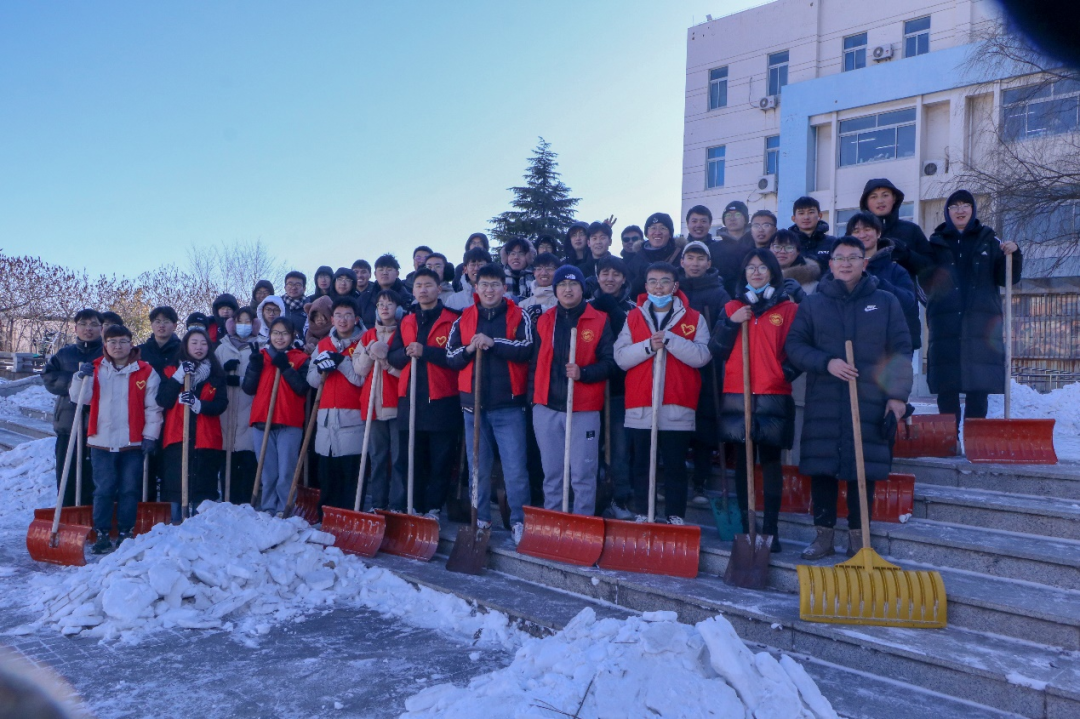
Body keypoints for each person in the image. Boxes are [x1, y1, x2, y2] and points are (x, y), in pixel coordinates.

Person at [785, 238, 913, 559]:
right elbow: (796, 347)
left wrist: (897, 397)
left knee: (863, 470)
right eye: (839, 258)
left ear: (864, 262)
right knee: (823, 468)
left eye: (853, 258)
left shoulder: (885, 302)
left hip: (870, 397)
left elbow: (900, 350)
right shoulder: (813, 304)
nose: (845, 263)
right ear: (830, 265)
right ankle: (823, 537)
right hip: (825, 398)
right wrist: (826, 362)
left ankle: (859, 539)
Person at [710, 249, 799, 552]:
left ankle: (770, 530)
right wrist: (731, 322)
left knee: (770, 462)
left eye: (762, 268)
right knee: (744, 462)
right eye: (751, 268)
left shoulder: (788, 309)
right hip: (738, 393)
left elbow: (799, 351)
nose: (756, 272)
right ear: (743, 273)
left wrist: (780, 374)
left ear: (773, 272)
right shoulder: (732, 306)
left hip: (773, 394)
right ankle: (749, 529)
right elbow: (716, 350)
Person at [614, 262, 711, 525]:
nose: (659, 286)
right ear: (646, 287)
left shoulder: (694, 318)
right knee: (642, 464)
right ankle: (643, 513)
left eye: (665, 281)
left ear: (675, 286)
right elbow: (621, 357)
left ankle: (675, 516)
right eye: (653, 281)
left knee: (675, 464)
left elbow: (702, 356)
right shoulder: (632, 317)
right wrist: (649, 345)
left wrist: (670, 339)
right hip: (641, 403)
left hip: (677, 403)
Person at [446, 263, 534, 542]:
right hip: (473, 405)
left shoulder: (519, 314)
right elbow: (450, 356)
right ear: (476, 288)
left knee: (515, 469)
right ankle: (480, 519)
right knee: (477, 469)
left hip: (508, 405)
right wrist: (471, 347)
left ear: (504, 288)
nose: (489, 290)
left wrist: (493, 342)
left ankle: (519, 521)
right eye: (484, 285)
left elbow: (526, 348)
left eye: (495, 285)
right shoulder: (464, 318)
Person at [921, 190, 1021, 430]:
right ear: (948, 212)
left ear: (973, 210)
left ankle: (975, 438)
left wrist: (1014, 254)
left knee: (979, 387)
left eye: (966, 205)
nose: (960, 210)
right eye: (954, 206)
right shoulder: (935, 243)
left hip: (980, 324)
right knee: (948, 387)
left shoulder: (990, 240)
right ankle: (949, 439)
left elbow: (1007, 278)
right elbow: (925, 280)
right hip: (946, 324)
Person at [69, 324, 162, 554]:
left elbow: (153, 408)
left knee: (129, 489)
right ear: (105, 345)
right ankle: (101, 532)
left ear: (131, 343)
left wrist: (150, 435)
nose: (117, 346)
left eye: (122, 341)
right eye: (112, 342)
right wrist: (82, 378)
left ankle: (125, 531)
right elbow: (80, 399)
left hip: (132, 442)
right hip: (101, 440)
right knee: (103, 489)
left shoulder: (146, 371)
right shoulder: (96, 369)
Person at [531, 265, 615, 517]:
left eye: (573, 284)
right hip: (546, 407)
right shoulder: (545, 320)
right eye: (562, 285)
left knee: (582, 473)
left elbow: (610, 363)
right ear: (555, 290)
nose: (568, 289)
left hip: (583, 408)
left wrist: (584, 373)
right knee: (552, 473)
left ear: (582, 288)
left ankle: (581, 524)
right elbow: (534, 363)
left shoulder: (599, 320)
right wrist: (533, 401)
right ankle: (553, 522)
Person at [387, 268, 462, 519]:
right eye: (418, 285)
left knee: (440, 460)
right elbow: (393, 357)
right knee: (410, 459)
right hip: (410, 399)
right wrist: (407, 351)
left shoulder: (453, 319)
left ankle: (433, 508)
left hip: (442, 399)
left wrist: (426, 351)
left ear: (439, 288)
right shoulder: (407, 321)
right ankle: (413, 506)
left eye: (428, 285)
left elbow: (458, 357)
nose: (423, 290)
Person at [677, 241, 732, 507]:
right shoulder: (673, 290)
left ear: (708, 263)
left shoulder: (719, 294)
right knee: (676, 425)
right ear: (682, 261)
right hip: (676, 368)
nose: (695, 263)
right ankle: (675, 481)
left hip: (708, 369)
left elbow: (725, 330)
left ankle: (700, 481)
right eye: (691, 257)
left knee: (705, 424)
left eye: (701, 258)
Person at [157, 328, 228, 520]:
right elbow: (163, 400)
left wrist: (199, 405)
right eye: (194, 343)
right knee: (177, 485)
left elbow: (221, 404)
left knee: (203, 486)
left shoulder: (216, 374)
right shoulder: (171, 371)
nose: (199, 347)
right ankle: (176, 526)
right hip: (177, 437)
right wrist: (178, 378)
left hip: (206, 439)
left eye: (203, 343)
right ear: (186, 345)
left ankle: (200, 528)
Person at [242, 317, 310, 515]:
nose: (280, 338)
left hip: (288, 422)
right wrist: (254, 367)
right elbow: (248, 388)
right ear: (269, 334)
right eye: (276, 333)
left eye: (284, 333)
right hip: (262, 420)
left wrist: (286, 368)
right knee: (267, 471)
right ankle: (268, 507)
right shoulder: (260, 356)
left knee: (286, 472)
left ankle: (285, 508)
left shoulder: (300, 358)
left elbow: (302, 388)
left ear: (292, 336)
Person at [307, 297, 365, 514]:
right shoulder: (323, 345)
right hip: (325, 418)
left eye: (348, 315)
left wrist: (342, 363)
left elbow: (361, 378)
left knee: (350, 473)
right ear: (332, 319)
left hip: (352, 416)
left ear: (356, 318)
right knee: (327, 473)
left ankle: (349, 515)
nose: (343, 320)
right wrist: (322, 369)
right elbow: (311, 380)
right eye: (338, 315)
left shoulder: (363, 342)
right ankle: (326, 516)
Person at [589, 255, 637, 518]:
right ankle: (593, 498)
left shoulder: (633, 309)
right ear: (597, 276)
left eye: (615, 274)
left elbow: (633, 339)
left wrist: (614, 311)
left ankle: (619, 498)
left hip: (620, 390)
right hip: (589, 386)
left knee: (619, 449)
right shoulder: (586, 306)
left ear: (624, 279)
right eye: (605, 273)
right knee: (589, 448)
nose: (609, 278)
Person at [42, 308, 103, 506]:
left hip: (97, 426)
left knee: (94, 477)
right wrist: (75, 381)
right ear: (76, 328)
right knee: (66, 474)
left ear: (101, 328)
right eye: (84, 324)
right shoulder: (64, 354)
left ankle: (92, 517)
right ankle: (67, 514)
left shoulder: (107, 353)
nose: (88, 329)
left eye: (94, 324)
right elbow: (49, 378)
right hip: (68, 424)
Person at [353, 290, 403, 510]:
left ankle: (398, 504)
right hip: (372, 405)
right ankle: (378, 504)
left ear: (398, 309)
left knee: (399, 459)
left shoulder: (403, 333)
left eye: (389, 304)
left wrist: (388, 365)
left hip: (396, 404)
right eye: (380, 304)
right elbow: (359, 369)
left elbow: (409, 371)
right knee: (377, 457)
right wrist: (370, 352)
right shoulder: (367, 335)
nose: (384, 308)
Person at [846, 213, 921, 350]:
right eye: (856, 231)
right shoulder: (841, 269)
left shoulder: (895, 269)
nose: (862, 235)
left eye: (867, 229)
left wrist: (880, 283)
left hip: (891, 348)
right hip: (851, 346)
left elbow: (908, 302)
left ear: (878, 233)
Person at [214, 306, 259, 503]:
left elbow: (261, 381)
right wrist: (224, 373)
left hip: (249, 409)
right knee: (226, 462)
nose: (243, 325)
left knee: (247, 460)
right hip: (226, 413)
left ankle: (247, 503)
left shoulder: (259, 346)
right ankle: (227, 501)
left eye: (247, 321)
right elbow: (212, 376)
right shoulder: (222, 348)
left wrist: (239, 381)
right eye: (240, 321)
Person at [859, 178, 934, 279]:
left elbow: (931, 268)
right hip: (867, 293)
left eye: (885, 195)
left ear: (894, 198)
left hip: (905, 292)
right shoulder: (857, 233)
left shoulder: (912, 229)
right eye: (873, 197)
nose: (880, 201)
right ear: (866, 203)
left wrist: (908, 255)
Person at [625, 213, 687, 296]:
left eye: (663, 228)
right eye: (653, 228)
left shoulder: (682, 256)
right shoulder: (636, 259)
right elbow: (628, 290)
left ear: (670, 234)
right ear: (647, 234)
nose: (657, 232)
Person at [708, 202, 754, 298]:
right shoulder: (713, 248)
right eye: (728, 215)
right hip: (722, 300)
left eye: (737, 214)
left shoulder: (755, 245)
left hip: (752, 298)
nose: (732, 218)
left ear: (745, 219)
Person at [770, 229, 820, 303]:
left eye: (789, 247)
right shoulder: (756, 277)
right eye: (777, 247)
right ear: (769, 249)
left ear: (798, 251)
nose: (782, 251)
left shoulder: (813, 285)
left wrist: (802, 298)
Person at [789, 196, 835, 271]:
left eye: (811, 212)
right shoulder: (787, 244)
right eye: (801, 213)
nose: (806, 217)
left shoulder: (832, 242)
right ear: (794, 218)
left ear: (820, 216)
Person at [140, 306, 181, 377]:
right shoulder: (141, 351)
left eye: (166, 322)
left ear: (175, 326)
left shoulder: (182, 350)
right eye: (157, 322)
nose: (161, 325)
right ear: (151, 325)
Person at [445, 247, 490, 311]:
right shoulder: (453, 300)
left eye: (480, 264)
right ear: (465, 269)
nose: (476, 268)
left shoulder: (499, 296)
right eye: (473, 264)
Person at [519, 252, 560, 320]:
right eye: (539, 269)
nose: (544, 273)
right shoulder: (523, 305)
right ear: (534, 272)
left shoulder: (564, 300)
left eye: (549, 268)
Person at [500, 237, 535, 301]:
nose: (516, 257)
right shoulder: (499, 277)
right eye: (512, 254)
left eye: (521, 254)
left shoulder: (536, 277)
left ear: (528, 257)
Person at [281, 271, 308, 335]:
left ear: (304, 288)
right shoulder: (277, 304)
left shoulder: (309, 306)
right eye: (290, 284)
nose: (293, 288)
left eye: (298, 285)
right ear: (285, 287)